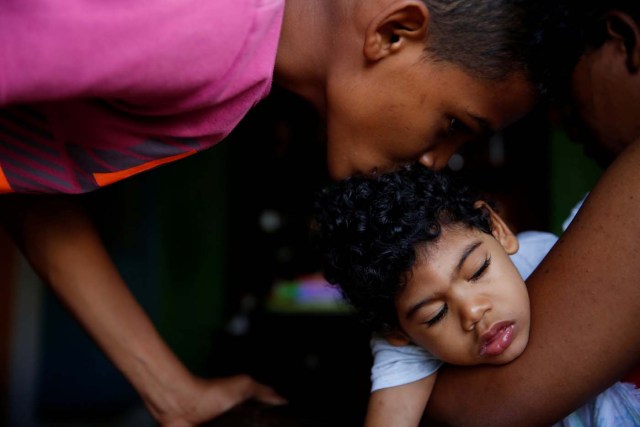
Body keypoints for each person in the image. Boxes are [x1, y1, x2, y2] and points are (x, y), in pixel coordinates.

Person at [0, 0, 552, 425]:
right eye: (454, 125)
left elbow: (22, 161)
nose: (434, 161)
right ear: (393, 32)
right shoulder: (210, 27)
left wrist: (170, 390)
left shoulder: (231, 67)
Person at [312, 164, 640, 427]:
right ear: (400, 333)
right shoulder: (405, 342)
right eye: (435, 315)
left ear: (498, 230)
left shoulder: (550, 255)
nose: (472, 312)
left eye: (478, 270)